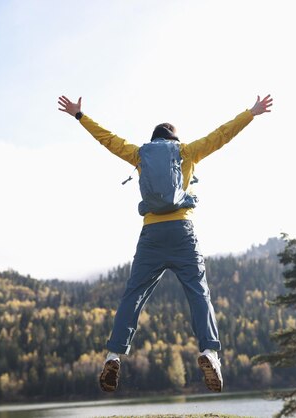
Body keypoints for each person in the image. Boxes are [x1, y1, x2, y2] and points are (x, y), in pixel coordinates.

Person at [57, 94, 273, 393]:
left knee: (133, 295)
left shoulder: (139, 154)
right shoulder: (187, 152)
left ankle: (113, 354)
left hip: (152, 235)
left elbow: (107, 139)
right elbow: (222, 135)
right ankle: (210, 352)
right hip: (183, 231)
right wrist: (251, 113)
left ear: (153, 141)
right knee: (199, 292)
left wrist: (80, 116)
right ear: (174, 140)